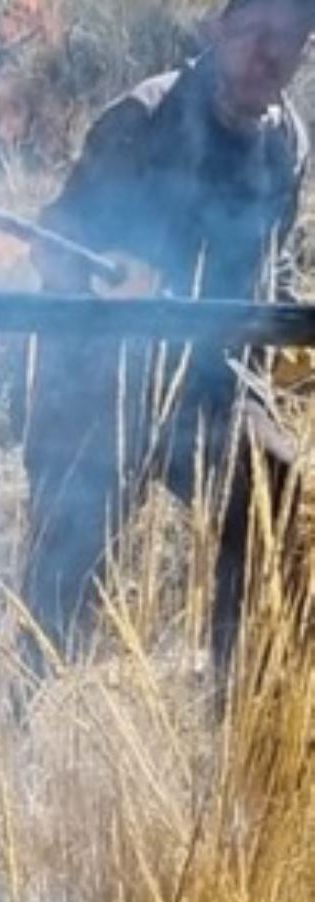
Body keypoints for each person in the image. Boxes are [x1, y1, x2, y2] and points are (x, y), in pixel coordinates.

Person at [21, 0, 315, 675]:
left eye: (291, 41)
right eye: (254, 34)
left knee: (273, 484)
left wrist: (286, 331)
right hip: (102, 385)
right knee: (56, 597)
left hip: (214, 391)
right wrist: (107, 281)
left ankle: (236, 694)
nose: (267, 56)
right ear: (217, 29)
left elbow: (278, 263)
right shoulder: (142, 119)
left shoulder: (287, 143)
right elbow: (54, 244)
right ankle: (10, 724)